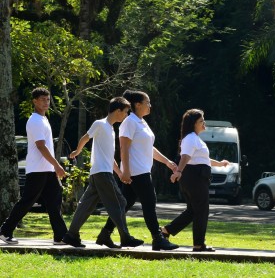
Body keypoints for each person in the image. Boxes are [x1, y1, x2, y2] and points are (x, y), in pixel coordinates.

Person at [99, 90, 179, 251]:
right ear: (137, 104)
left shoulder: (141, 122)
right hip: (136, 171)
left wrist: (167, 162)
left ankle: (105, 233)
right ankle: (157, 238)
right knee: (150, 202)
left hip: (141, 169)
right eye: (147, 102)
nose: (150, 105)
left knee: (125, 204)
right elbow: (124, 147)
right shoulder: (129, 122)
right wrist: (125, 171)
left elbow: (149, 147)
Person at [63, 97, 144, 248]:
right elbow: (85, 138)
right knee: (121, 202)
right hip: (102, 173)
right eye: (125, 112)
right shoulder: (100, 124)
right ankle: (124, 237)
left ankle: (71, 235)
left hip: (101, 172)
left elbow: (109, 157)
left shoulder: (111, 129)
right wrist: (77, 151)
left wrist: (119, 173)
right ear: (117, 110)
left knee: (86, 205)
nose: (126, 116)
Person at [0, 87, 68, 245]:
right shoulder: (35, 120)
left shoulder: (44, 119)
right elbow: (41, 146)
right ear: (35, 101)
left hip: (47, 170)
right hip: (38, 169)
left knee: (54, 200)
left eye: (48, 99)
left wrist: (53, 167)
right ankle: (5, 230)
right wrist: (57, 165)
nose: (46, 102)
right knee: (27, 201)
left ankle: (60, 236)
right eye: (42, 99)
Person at [161, 109, 229, 252]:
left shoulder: (194, 138)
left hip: (195, 178)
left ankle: (166, 231)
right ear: (193, 124)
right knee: (202, 211)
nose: (204, 123)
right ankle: (198, 244)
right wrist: (178, 171)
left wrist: (220, 163)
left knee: (193, 211)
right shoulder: (191, 138)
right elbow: (185, 157)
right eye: (200, 121)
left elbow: (202, 159)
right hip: (195, 178)